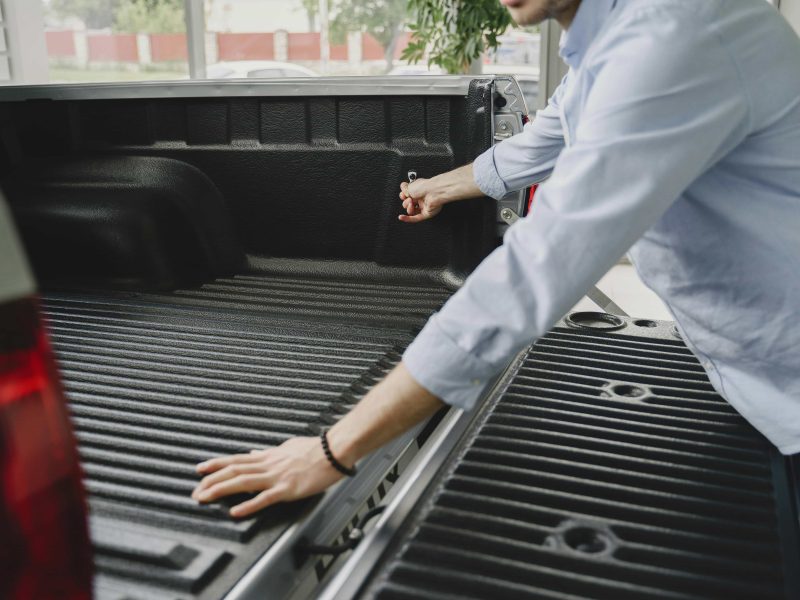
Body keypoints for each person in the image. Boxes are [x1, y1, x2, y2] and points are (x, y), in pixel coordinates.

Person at [192, 0, 800, 518]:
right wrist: (441, 186)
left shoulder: (676, 35)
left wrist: (333, 450)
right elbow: (557, 130)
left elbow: (546, 260)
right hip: (748, 372)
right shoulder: (616, 34)